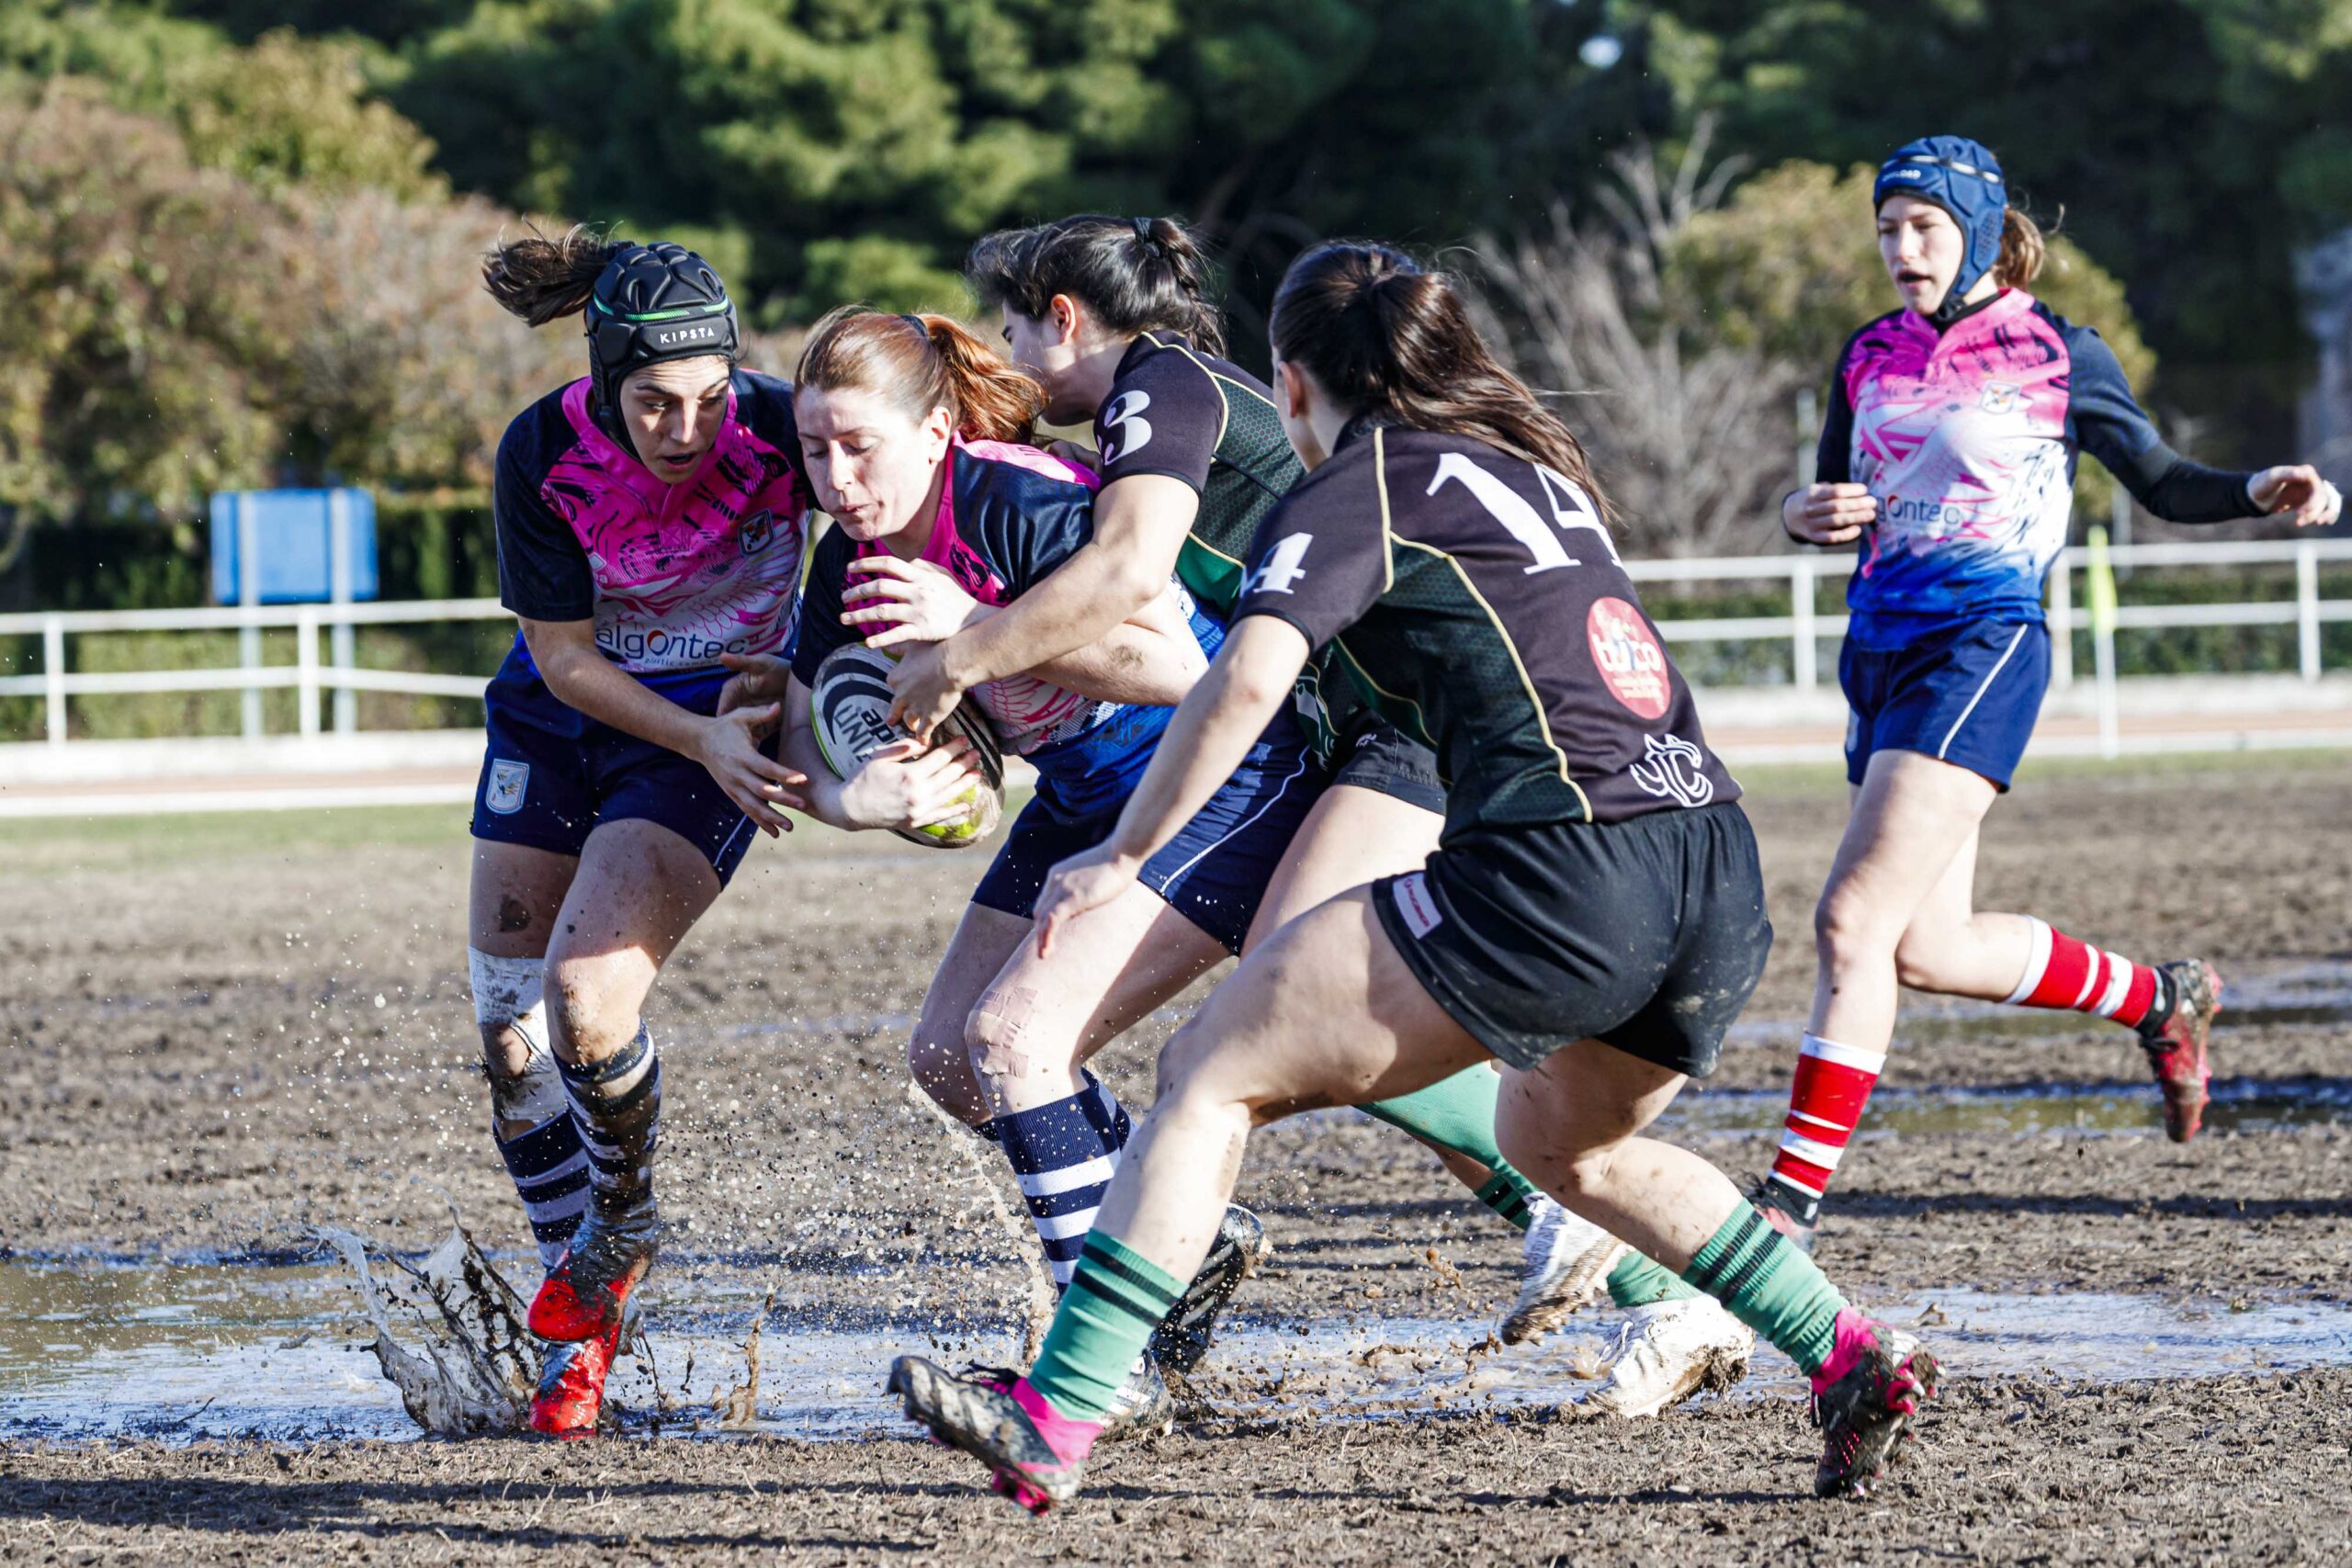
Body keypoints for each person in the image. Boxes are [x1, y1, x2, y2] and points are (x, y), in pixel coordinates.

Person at [888, 242, 1940, 1510]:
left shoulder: (1359, 485)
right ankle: (1846, 1349)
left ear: (1289, 383)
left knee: (1209, 1077)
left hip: (1570, 863)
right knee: (1569, 1144)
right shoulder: (1532, 471)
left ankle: (1058, 1417)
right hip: (1713, 863)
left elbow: (1243, 679)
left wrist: (1119, 854)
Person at [1752, 136, 2346, 1252]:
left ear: (1976, 230)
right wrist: (1798, 511)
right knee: (1929, 949)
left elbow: (2163, 481)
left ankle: (1782, 1207)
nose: (1899, 248)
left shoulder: (2057, 351)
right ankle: (2157, 999)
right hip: (1878, 650)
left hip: (1982, 647)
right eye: (1886, 228)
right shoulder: (1866, 352)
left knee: (1850, 921)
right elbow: (1829, 488)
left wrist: (2259, 488)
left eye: (1922, 227)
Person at [762, 305, 1304, 1424]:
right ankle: (1172, 1236)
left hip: (1204, 776)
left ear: (936, 429)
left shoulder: (1018, 500)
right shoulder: (845, 563)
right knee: (949, 1063)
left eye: (858, 445)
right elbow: (797, 745)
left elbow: (1174, 671)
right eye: (814, 449)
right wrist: (855, 801)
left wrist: (976, 623)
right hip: (1078, 794)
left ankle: (1101, 1371)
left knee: (1013, 1042)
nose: (836, 476)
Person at [467, 231, 816, 1438]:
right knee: (510, 1041)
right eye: (655, 401)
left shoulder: (785, 428)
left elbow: (918, 499)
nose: (689, 427)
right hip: (570, 712)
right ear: (606, 381)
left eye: (710, 397)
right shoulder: (543, 449)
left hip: (715, 729)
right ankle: (588, 1303)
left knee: (585, 1006)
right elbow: (562, 658)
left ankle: (624, 1220)